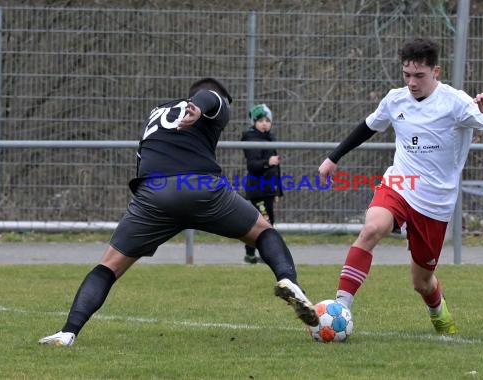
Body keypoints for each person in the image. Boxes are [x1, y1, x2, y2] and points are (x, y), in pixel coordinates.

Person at [39, 78, 319, 347]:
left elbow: (143, 157)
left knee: (108, 266)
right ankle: (289, 282)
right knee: (264, 231)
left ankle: (67, 332)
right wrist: (200, 105)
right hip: (199, 187)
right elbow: (211, 98)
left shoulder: (156, 114)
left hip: (153, 195)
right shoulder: (209, 103)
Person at [318, 38, 483, 335]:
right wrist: (333, 158)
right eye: (407, 75)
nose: (412, 82)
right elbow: (368, 127)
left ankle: (438, 312)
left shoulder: (456, 103)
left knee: (421, 282)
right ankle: (341, 307)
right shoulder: (395, 99)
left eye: (419, 75)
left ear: (436, 71)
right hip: (400, 182)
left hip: (435, 200)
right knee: (371, 229)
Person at [241, 104, 283, 264]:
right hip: (258, 189)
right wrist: (268, 162)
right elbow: (253, 165)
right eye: (260, 120)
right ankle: (266, 255)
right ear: (254, 122)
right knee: (266, 224)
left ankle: (250, 254)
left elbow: (276, 169)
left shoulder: (270, 139)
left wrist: (277, 191)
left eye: (267, 120)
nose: (264, 123)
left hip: (269, 189)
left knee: (260, 224)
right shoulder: (251, 139)